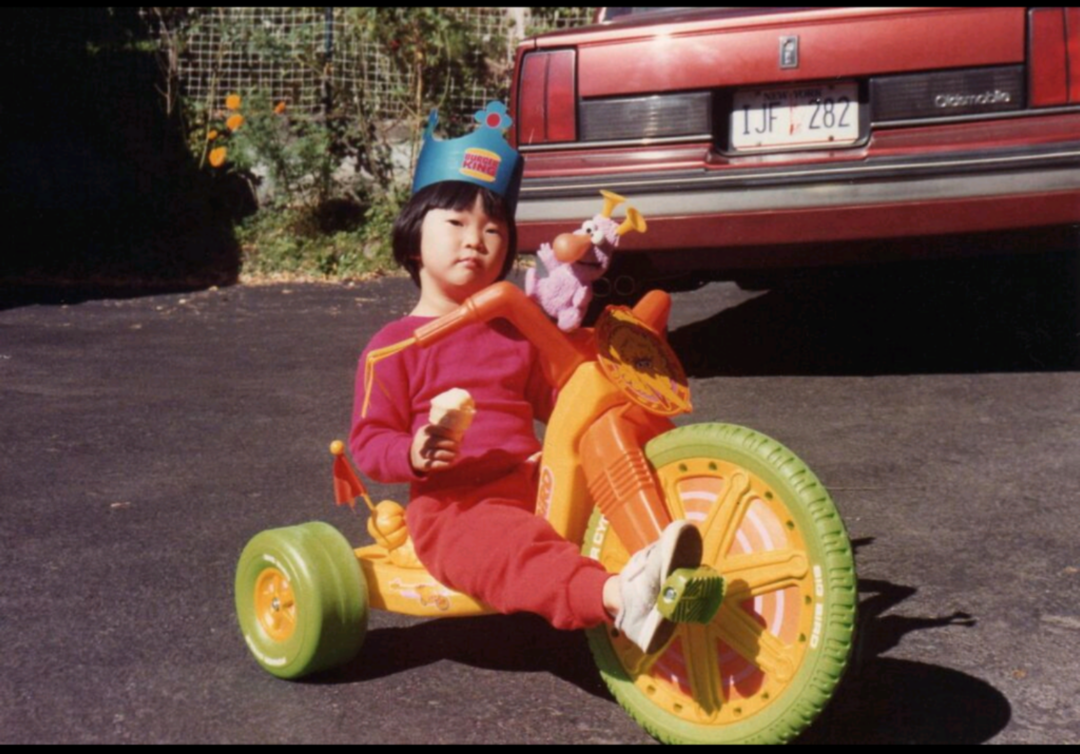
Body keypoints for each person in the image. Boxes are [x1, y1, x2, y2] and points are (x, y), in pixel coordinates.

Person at [350, 102, 700, 655]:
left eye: (493, 228)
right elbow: (369, 442)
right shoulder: (394, 345)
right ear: (414, 237)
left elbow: (560, 397)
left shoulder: (512, 331)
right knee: (511, 546)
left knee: (585, 460)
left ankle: (680, 540)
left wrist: (599, 364)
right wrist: (414, 451)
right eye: (457, 223)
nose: (476, 239)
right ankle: (617, 598)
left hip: (530, 485)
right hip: (455, 506)